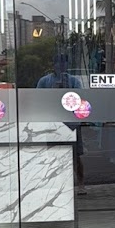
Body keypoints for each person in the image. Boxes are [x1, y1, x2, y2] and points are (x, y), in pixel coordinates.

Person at [36, 56, 86, 195]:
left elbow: (80, 99)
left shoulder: (74, 81)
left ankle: (80, 183)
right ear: (54, 65)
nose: (61, 67)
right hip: (52, 123)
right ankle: (54, 183)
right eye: (58, 64)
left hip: (71, 124)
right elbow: (38, 99)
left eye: (64, 64)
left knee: (75, 155)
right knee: (52, 154)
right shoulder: (45, 81)